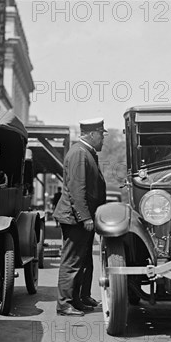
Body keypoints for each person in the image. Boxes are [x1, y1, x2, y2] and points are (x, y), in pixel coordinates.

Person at [54, 118, 107, 316]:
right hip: (75, 218)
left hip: (78, 217)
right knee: (72, 261)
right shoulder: (79, 154)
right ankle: (65, 304)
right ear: (92, 134)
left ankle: (76, 300)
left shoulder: (85, 153)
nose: (103, 139)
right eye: (101, 134)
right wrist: (85, 217)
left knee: (83, 260)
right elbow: (78, 190)